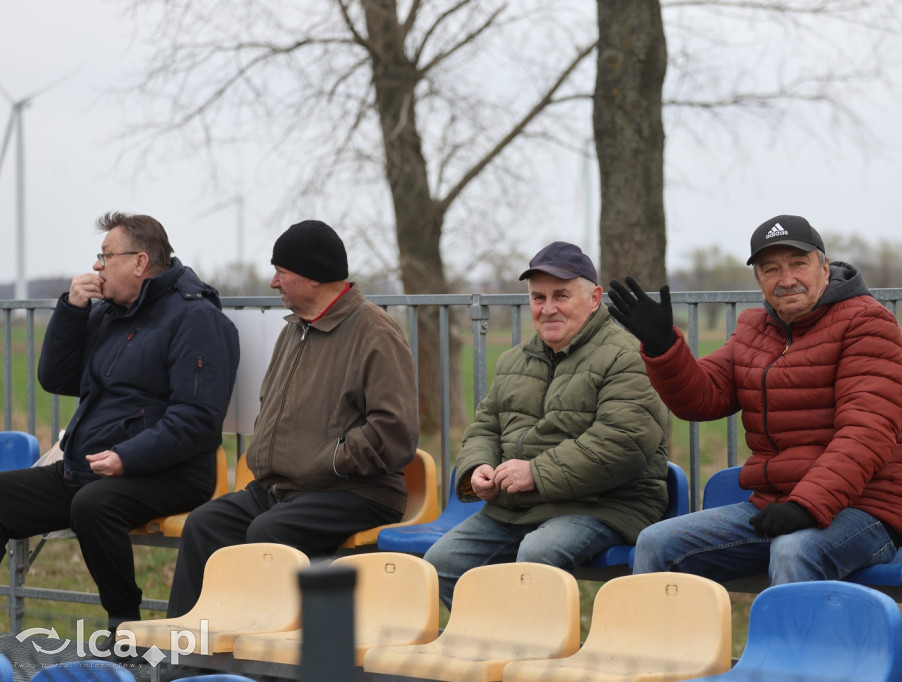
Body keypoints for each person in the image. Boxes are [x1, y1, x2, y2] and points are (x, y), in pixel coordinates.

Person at [608, 215, 902, 585]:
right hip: (775, 506)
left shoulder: (867, 323)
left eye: (798, 264)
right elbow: (703, 398)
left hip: (864, 510)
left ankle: (789, 646)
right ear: (758, 280)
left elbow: (867, 432)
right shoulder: (755, 329)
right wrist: (664, 346)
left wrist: (806, 504)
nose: (786, 280)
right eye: (771, 269)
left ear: (824, 266)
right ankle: (664, 645)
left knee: (795, 550)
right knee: (656, 543)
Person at [0, 211, 240, 638]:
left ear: (140, 262)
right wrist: (72, 311)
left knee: (93, 505)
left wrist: (127, 458)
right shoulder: (108, 314)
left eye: (105, 255)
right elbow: (56, 378)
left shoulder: (196, 319)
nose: (97, 266)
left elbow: (198, 420)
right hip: (89, 467)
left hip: (172, 472)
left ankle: (123, 631)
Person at [166, 219, 419, 617]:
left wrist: (328, 461)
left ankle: (271, 663)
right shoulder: (294, 330)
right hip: (283, 490)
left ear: (314, 278)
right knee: (205, 524)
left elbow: (395, 433)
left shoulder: (375, 334)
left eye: (281, 272)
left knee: (269, 534)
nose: (273, 283)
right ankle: (186, 661)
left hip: (353, 492)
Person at [424, 241, 670, 607]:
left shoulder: (626, 355)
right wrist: (479, 467)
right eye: (538, 297)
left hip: (605, 503)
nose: (548, 308)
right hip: (519, 505)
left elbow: (624, 443)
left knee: (537, 556)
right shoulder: (513, 360)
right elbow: (485, 426)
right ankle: (498, 651)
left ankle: (538, 656)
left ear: (594, 297)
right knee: (440, 565)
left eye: (561, 295)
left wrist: (535, 473)